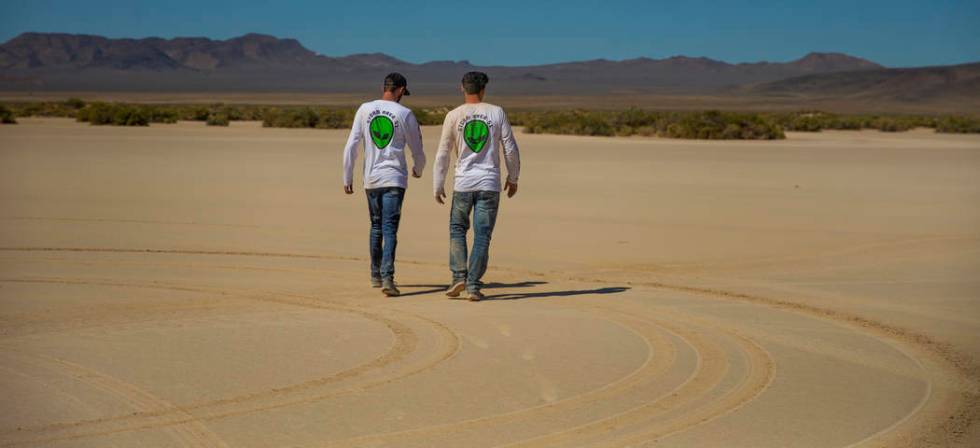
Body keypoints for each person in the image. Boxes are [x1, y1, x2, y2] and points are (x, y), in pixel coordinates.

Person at [433, 71, 521, 301]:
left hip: (463, 183)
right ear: (483, 89)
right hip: (489, 183)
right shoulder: (496, 112)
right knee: (482, 235)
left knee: (457, 230)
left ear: (462, 88)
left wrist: (438, 183)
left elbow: (443, 152)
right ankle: (472, 285)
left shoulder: (453, 115)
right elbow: (510, 148)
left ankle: (458, 276)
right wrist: (513, 177)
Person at [343, 72, 425, 297]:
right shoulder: (404, 113)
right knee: (389, 228)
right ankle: (388, 277)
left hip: (371, 179)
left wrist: (347, 176)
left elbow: (351, 145)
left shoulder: (364, 109)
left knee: (376, 226)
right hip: (394, 178)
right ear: (400, 90)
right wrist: (419, 169)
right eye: (403, 93)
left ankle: (375, 275)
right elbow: (417, 147)